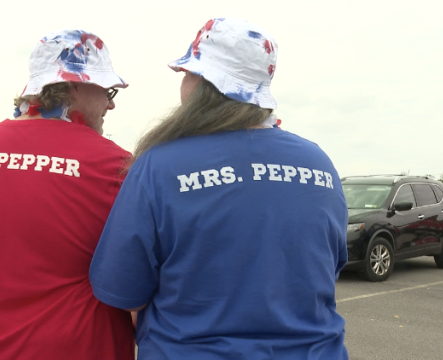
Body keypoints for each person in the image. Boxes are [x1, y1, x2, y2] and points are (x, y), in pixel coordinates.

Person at [89, 18, 349, 360]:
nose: (183, 84)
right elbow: (329, 267)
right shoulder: (320, 163)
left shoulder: (158, 165)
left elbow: (125, 290)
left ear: (203, 85)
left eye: (187, 74)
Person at [0, 29, 135, 359]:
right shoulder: (116, 166)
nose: (110, 103)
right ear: (73, 86)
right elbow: (136, 291)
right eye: (107, 91)